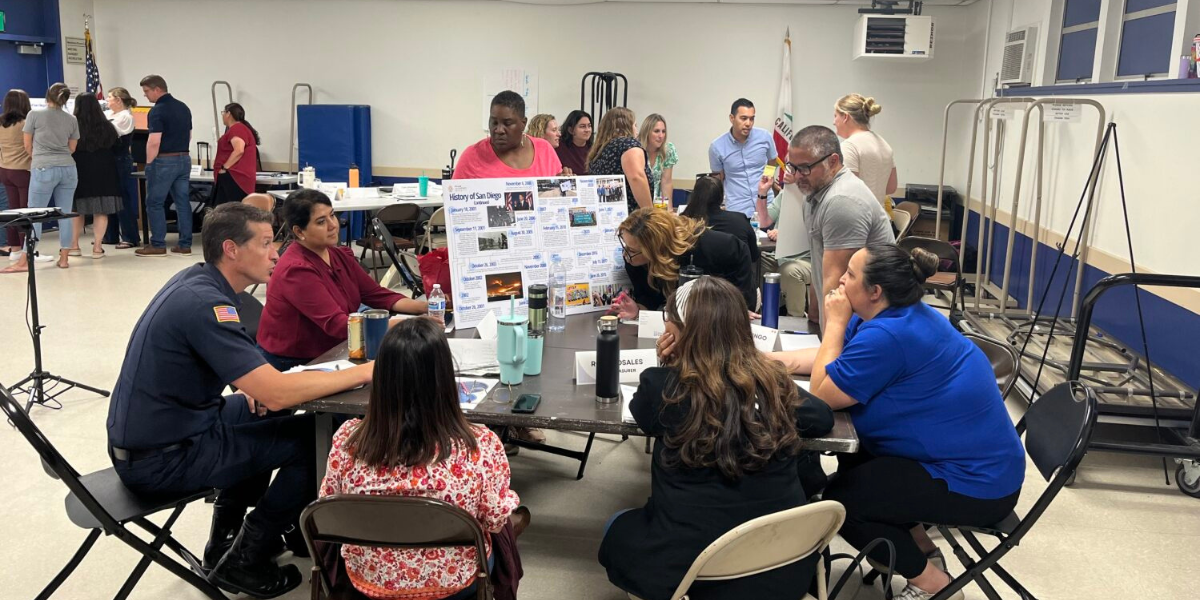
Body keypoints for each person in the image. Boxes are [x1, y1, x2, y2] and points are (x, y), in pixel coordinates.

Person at [106, 203, 375, 598]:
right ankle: (246, 556)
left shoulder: (198, 283)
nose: (275, 254)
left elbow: (257, 384)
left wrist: (258, 386)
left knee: (266, 411)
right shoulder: (208, 305)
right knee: (315, 443)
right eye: (266, 244)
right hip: (162, 459)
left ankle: (224, 540)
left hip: (165, 433)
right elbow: (278, 390)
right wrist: (369, 371)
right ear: (231, 249)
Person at [771, 244, 1025, 600]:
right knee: (856, 460)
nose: (841, 280)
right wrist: (766, 361)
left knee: (845, 504)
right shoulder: (892, 313)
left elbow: (821, 393)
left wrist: (836, 320)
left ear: (874, 291)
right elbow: (834, 357)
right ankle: (922, 549)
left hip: (977, 482)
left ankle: (938, 587)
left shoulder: (890, 335)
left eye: (851, 275)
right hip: (952, 459)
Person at [599, 276, 834, 600]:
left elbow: (645, 414)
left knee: (617, 524)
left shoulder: (664, 387)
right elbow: (821, 418)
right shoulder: (772, 384)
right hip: (784, 569)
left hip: (694, 575)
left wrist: (668, 364)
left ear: (679, 332)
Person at [320, 318, 528, 600]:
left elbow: (328, 515)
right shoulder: (480, 446)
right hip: (454, 584)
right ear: (445, 379)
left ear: (380, 378)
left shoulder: (348, 443)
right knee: (501, 530)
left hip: (370, 582)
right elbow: (493, 520)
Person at [256, 189, 428, 371]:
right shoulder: (296, 270)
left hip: (334, 349)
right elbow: (338, 325)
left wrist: (426, 307)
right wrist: (407, 323)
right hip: (293, 363)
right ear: (299, 231)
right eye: (321, 222)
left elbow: (376, 295)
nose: (333, 225)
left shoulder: (337, 254)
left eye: (332, 216)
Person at [758, 125, 892, 332]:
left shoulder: (842, 200)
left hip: (867, 325)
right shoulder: (814, 195)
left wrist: (828, 342)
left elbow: (836, 281)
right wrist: (814, 318)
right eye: (791, 166)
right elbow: (819, 264)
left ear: (833, 161)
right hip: (848, 321)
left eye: (805, 168)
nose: (797, 175)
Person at [611, 208, 754, 319]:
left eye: (631, 250)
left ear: (656, 251)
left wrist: (738, 307)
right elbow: (651, 302)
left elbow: (740, 251)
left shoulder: (707, 247)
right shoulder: (635, 262)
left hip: (718, 311)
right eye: (625, 246)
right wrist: (638, 310)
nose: (625, 255)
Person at [8, 83, 79, 272]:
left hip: (43, 168)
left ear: (47, 96)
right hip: (68, 169)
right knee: (64, 214)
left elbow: (27, 145)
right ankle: (64, 259)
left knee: (34, 214)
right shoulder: (71, 119)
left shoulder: (34, 115)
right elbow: (72, 148)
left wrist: (40, 158)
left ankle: (24, 260)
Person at [135, 74, 193, 257]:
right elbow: (189, 135)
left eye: (146, 91)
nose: (145, 96)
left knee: (154, 202)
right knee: (183, 203)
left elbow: (154, 141)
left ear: (157, 89)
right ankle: (185, 244)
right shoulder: (183, 107)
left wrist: (150, 163)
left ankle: (158, 244)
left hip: (164, 161)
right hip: (184, 159)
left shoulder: (157, 111)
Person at [453, 91, 563, 180]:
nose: (499, 130)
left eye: (508, 123)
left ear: (523, 123)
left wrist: (566, 182)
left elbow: (557, 196)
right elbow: (454, 202)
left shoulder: (544, 150)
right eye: (494, 123)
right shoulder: (472, 156)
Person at [70, 94, 123, 260]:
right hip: (104, 172)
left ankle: (74, 246)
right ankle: (98, 247)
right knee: (101, 211)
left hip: (79, 171)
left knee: (77, 210)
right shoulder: (107, 126)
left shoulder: (73, 125)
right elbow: (118, 149)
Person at [708, 98, 777, 217]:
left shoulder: (765, 137)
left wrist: (767, 179)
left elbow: (772, 161)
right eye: (743, 118)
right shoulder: (717, 147)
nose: (748, 123)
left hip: (766, 203)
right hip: (737, 208)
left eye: (752, 118)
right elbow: (719, 179)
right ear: (732, 118)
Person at [834, 94, 897, 213]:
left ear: (846, 117)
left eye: (835, 116)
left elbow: (847, 192)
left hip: (858, 220)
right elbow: (891, 187)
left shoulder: (849, 146)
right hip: (881, 220)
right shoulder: (884, 144)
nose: (834, 122)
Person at [587, 107, 652, 213]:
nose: (637, 131)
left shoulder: (598, 152)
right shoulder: (628, 145)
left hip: (606, 214)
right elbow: (636, 177)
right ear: (626, 126)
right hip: (631, 217)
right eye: (635, 125)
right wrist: (650, 213)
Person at [680, 176, 758, 263]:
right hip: (735, 275)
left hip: (695, 274)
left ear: (694, 196)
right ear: (721, 198)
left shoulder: (683, 223)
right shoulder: (740, 220)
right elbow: (754, 256)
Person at [102, 87, 141, 249]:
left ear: (118, 100)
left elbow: (109, 133)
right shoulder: (108, 115)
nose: (107, 100)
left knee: (122, 198)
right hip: (107, 160)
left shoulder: (126, 117)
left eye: (110, 97)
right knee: (108, 197)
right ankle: (110, 235)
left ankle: (130, 236)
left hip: (120, 159)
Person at [0, 89, 32, 261]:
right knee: (26, 211)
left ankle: (14, 249)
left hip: (4, 170)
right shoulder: (26, 123)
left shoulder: (0, 122)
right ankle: (27, 251)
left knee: (12, 210)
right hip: (22, 170)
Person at [213, 102, 261, 206]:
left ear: (228, 114)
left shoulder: (237, 129)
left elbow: (239, 150)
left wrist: (224, 168)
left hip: (235, 177)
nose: (222, 116)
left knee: (227, 211)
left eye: (223, 113)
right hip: (234, 177)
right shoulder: (240, 128)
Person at [638, 113, 677, 202]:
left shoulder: (668, 149)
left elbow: (666, 182)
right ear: (646, 132)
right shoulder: (636, 149)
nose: (661, 136)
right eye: (656, 131)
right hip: (637, 202)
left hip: (658, 203)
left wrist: (668, 211)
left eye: (663, 131)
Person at [555, 109, 592, 176]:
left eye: (589, 126)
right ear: (571, 130)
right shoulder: (559, 147)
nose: (587, 130)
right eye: (582, 126)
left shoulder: (594, 149)